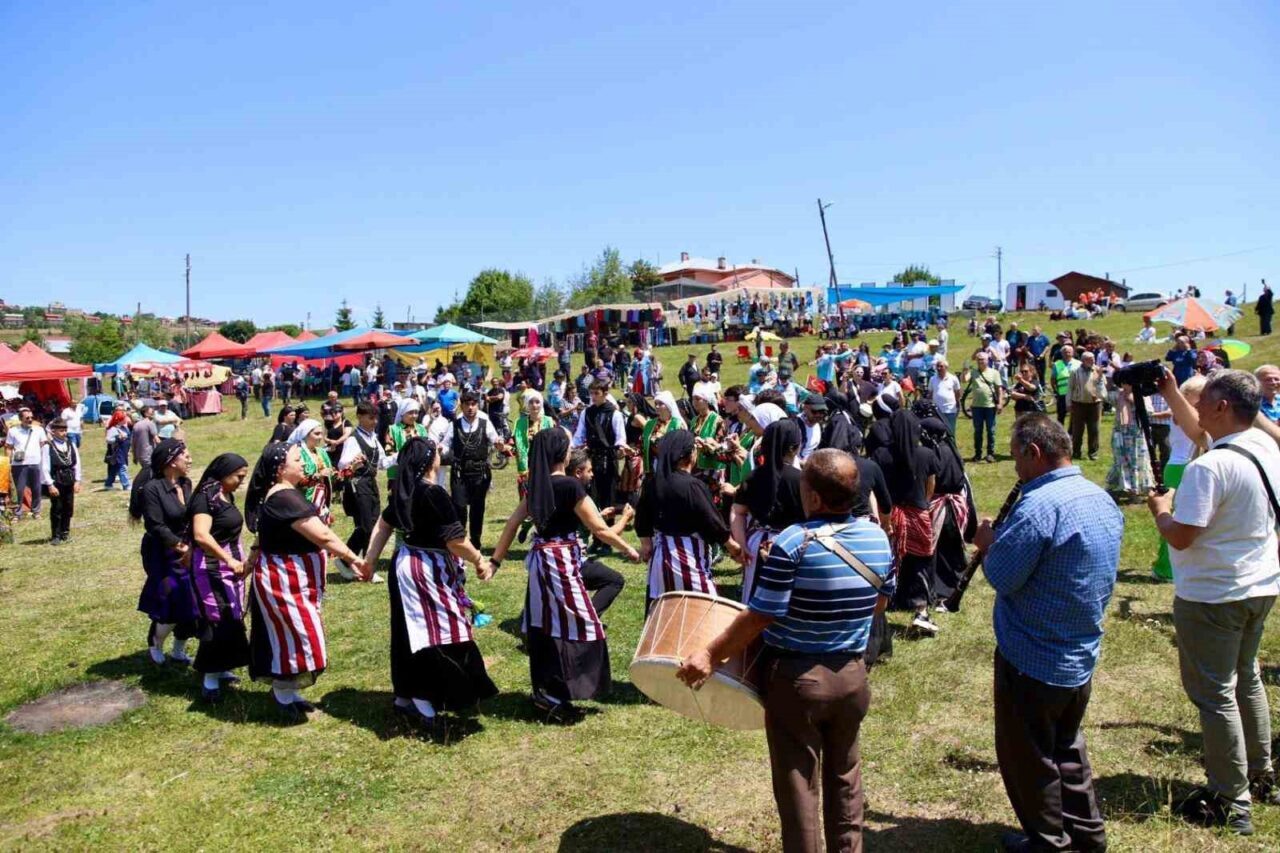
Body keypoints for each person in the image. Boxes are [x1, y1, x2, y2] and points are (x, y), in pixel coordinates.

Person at [678, 450, 894, 853]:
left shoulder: (794, 541)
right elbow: (880, 602)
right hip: (851, 675)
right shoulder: (876, 537)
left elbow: (761, 615)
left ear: (812, 497)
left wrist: (709, 654)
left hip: (796, 681)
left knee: (799, 786)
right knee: (846, 778)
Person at [972, 414, 1122, 853]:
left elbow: (1003, 575)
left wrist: (986, 545)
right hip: (1078, 647)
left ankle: (1048, 841)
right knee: (1067, 746)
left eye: (1017, 456)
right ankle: (1086, 835)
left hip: (1032, 656)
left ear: (1034, 453)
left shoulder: (1038, 507)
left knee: (1029, 756)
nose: (1015, 467)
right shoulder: (1099, 497)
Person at [1146, 370, 1280, 834]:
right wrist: (1168, 389)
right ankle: (1261, 775)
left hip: (1213, 594)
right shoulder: (1266, 448)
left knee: (1215, 694)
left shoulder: (1208, 468)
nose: (1197, 409)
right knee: (1248, 680)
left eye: (1204, 401)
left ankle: (1231, 800)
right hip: (1260, 585)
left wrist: (1161, 512)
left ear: (1223, 407)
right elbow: (1196, 431)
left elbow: (1183, 536)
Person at [489, 428, 639, 722]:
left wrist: (495, 561)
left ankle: (547, 693)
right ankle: (557, 694)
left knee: (545, 624)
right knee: (582, 624)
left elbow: (512, 523)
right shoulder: (570, 486)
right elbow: (599, 529)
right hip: (561, 561)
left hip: (540, 561)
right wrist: (628, 550)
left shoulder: (537, 485)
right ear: (562, 453)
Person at [363, 437, 497, 731]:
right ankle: (426, 704)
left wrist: (370, 560)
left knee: (407, 633)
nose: (441, 454)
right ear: (429, 460)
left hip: (405, 565)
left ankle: (404, 697)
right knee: (433, 636)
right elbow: (455, 540)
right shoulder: (434, 493)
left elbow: (385, 523)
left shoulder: (405, 489)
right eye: (437, 451)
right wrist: (479, 560)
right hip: (425, 571)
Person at [244, 442, 369, 722]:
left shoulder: (288, 493)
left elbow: (264, 534)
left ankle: (287, 692)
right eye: (297, 460)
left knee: (294, 636)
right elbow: (322, 536)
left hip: (295, 578)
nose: (303, 464)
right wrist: (355, 560)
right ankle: (282, 693)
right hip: (283, 579)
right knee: (297, 636)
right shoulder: (283, 498)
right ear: (280, 469)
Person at [636, 430, 741, 606]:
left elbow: (642, 519)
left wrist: (646, 544)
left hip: (661, 555)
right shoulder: (692, 486)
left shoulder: (652, 483)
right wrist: (733, 547)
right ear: (689, 454)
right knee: (700, 607)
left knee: (663, 604)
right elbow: (712, 522)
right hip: (686, 556)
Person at [187, 453, 252, 703]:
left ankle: (223, 667)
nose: (241, 482)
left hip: (231, 567)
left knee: (232, 617)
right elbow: (201, 536)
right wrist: (228, 560)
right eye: (238, 477)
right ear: (224, 473)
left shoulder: (225, 495)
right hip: (211, 568)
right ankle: (209, 679)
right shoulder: (205, 498)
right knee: (217, 618)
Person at [871, 409, 940, 634]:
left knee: (891, 560)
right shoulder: (927, 454)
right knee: (921, 560)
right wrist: (924, 503)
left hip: (891, 514)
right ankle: (920, 607)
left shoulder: (881, 454)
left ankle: (888, 600)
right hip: (918, 513)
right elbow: (931, 485)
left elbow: (877, 488)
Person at [133, 439, 199, 666]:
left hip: (188, 550)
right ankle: (155, 641)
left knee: (193, 601)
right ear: (171, 461)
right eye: (185, 456)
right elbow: (155, 525)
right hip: (163, 552)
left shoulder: (186, 484)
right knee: (171, 599)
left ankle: (179, 648)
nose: (189, 459)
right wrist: (180, 547)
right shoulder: (153, 489)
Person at [730, 420, 805, 604]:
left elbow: (738, 512)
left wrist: (742, 545)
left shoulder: (754, 476)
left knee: (754, 595)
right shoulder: (802, 480)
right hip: (793, 544)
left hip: (757, 543)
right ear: (794, 448)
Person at [337, 402, 392, 581]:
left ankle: (358, 563)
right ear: (360, 417)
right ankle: (353, 562)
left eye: (376, 417)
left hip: (371, 484)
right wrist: (354, 461)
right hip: (358, 485)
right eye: (370, 417)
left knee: (374, 525)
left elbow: (382, 463)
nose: (374, 421)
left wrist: (401, 456)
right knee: (366, 526)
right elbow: (342, 464)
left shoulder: (373, 438)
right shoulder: (353, 439)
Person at [447, 390, 501, 548]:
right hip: (459, 472)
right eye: (467, 404)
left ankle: (475, 540)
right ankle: (460, 541)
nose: (470, 407)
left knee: (478, 508)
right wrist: (439, 448)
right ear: (462, 406)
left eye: (473, 404)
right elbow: (445, 444)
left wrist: (499, 443)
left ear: (477, 405)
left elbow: (495, 438)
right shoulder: (454, 424)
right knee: (459, 506)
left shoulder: (485, 423)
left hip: (480, 471)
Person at [573, 381, 626, 520]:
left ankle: (607, 536)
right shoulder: (587, 412)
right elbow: (579, 435)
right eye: (591, 393)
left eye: (597, 393)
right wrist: (572, 449)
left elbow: (620, 438)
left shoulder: (615, 414)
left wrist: (620, 449)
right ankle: (597, 538)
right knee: (591, 497)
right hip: (590, 460)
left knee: (608, 498)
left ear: (605, 394)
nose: (593, 397)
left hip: (608, 460)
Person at [1104, 384, 1155, 500]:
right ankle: (1117, 488)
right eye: (1124, 382)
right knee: (1120, 461)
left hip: (1137, 434)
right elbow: (1102, 395)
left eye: (1128, 382)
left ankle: (1135, 492)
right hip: (1120, 433)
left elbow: (1150, 412)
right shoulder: (1118, 395)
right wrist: (1099, 378)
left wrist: (1133, 401)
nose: (1125, 385)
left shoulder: (1142, 396)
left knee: (1137, 461)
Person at [39, 418, 81, 543]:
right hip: (56, 480)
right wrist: (50, 485)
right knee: (57, 507)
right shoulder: (48, 446)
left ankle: (65, 532)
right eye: (61, 430)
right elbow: (44, 467)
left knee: (68, 507)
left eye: (65, 430)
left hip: (69, 479)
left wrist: (77, 480)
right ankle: (56, 535)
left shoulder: (70, 444)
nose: (64, 433)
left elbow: (76, 463)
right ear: (53, 431)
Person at [289, 419, 335, 523]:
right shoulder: (297, 453)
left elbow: (332, 475)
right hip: (303, 501)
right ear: (305, 434)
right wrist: (318, 475)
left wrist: (352, 468)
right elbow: (295, 480)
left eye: (321, 434)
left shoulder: (321, 452)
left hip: (322, 499)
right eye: (317, 434)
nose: (320, 437)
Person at [965, 352, 1005, 463]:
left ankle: (990, 453)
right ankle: (978, 454)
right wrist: (965, 370)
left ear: (988, 360)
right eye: (978, 359)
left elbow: (999, 389)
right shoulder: (973, 372)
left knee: (991, 431)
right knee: (978, 431)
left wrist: (1000, 403)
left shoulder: (994, 373)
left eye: (983, 359)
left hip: (990, 406)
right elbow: (964, 379)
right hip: (976, 407)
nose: (980, 361)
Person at [1068, 351, 1106, 461]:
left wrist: (1100, 376)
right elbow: (1070, 388)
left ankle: (1093, 453)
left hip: (1095, 405)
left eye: (1093, 359)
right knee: (1077, 430)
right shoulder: (1075, 371)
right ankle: (1076, 452)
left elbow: (1103, 386)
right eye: (1090, 359)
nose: (1093, 361)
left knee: (1094, 429)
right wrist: (1068, 403)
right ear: (1083, 360)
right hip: (1078, 404)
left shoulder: (1097, 370)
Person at [640, 390, 685, 473]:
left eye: (660, 404)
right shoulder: (650, 424)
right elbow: (643, 444)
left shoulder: (678, 424)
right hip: (652, 467)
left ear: (668, 406)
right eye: (656, 404)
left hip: (671, 468)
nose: (657, 406)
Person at [928, 357, 961, 434]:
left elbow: (958, 392)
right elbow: (930, 394)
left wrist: (957, 402)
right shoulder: (932, 379)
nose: (939, 368)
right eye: (937, 366)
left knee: (950, 431)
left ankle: (951, 446)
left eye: (941, 366)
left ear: (946, 367)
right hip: (937, 411)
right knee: (937, 432)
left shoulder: (953, 379)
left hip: (950, 410)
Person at [103, 409, 132, 491]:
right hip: (117, 452)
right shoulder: (113, 429)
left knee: (114, 469)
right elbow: (108, 439)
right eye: (123, 418)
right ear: (118, 420)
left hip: (124, 451)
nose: (125, 419)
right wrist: (117, 437)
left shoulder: (124, 428)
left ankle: (108, 484)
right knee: (122, 468)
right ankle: (126, 485)